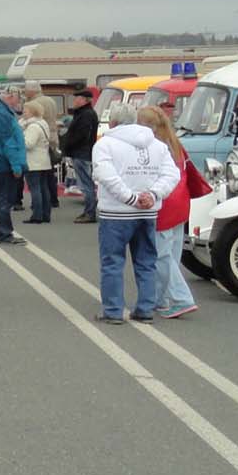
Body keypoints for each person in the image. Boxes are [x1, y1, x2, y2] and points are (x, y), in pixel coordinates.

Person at [92, 102, 182, 323]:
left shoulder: (105, 144)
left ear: (112, 121)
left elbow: (106, 175)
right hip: (147, 212)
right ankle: (145, 309)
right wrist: (153, 194)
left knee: (112, 263)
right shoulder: (157, 145)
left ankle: (113, 310)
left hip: (116, 212)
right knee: (146, 261)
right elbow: (172, 174)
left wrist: (129, 197)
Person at [141, 104, 205, 319]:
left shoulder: (154, 146)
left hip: (164, 204)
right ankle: (161, 299)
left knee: (161, 256)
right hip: (181, 202)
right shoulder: (175, 143)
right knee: (172, 253)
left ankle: (181, 298)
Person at [0, 85, 29, 244]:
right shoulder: (2, 114)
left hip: (1, 158)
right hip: (5, 161)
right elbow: (8, 142)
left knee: (5, 197)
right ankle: (4, 233)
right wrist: (16, 165)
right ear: (10, 97)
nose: (19, 102)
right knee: (5, 198)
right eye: (18, 98)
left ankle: (4, 232)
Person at [61, 88, 100, 223]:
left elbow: (82, 135)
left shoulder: (86, 115)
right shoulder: (84, 113)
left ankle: (90, 213)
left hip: (82, 153)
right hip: (82, 152)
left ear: (84, 100)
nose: (74, 101)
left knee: (86, 185)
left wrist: (68, 144)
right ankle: (88, 211)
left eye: (77, 98)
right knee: (85, 184)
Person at [22, 100, 58, 224]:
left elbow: (29, 144)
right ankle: (46, 214)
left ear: (32, 112)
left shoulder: (32, 127)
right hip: (44, 160)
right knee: (44, 188)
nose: (23, 113)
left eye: (26, 111)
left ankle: (37, 215)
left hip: (33, 162)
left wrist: (20, 138)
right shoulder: (43, 123)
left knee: (35, 189)